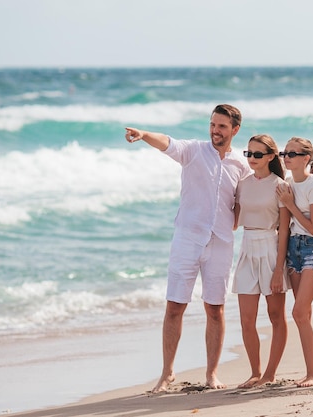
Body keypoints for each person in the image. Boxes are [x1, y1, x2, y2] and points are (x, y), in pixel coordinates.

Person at [125, 104, 252, 393]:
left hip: (220, 243)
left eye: (221, 126)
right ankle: (167, 373)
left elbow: (247, 200)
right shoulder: (193, 151)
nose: (215, 130)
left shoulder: (241, 166)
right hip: (187, 239)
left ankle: (212, 374)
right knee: (174, 307)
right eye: (212, 124)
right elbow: (166, 142)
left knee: (215, 309)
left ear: (234, 130)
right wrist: (144, 134)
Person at [232, 134, 290, 388]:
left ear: (270, 156)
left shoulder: (280, 185)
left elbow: (285, 230)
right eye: (248, 154)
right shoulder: (242, 184)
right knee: (246, 319)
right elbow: (233, 220)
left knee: (276, 316)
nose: (252, 159)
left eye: (257, 154)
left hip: (270, 248)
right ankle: (255, 372)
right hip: (246, 248)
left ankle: (270, 373)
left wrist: (279, 269)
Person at [276, 137, 313, 387]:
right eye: (285, 153)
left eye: (293, 154)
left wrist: (289, 204)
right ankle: (312, 372)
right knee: (302, 313)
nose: (287, 157)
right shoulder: (286, 183)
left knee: (298, 311)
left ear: (306, 158)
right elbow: (284, 228)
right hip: (293, 250)